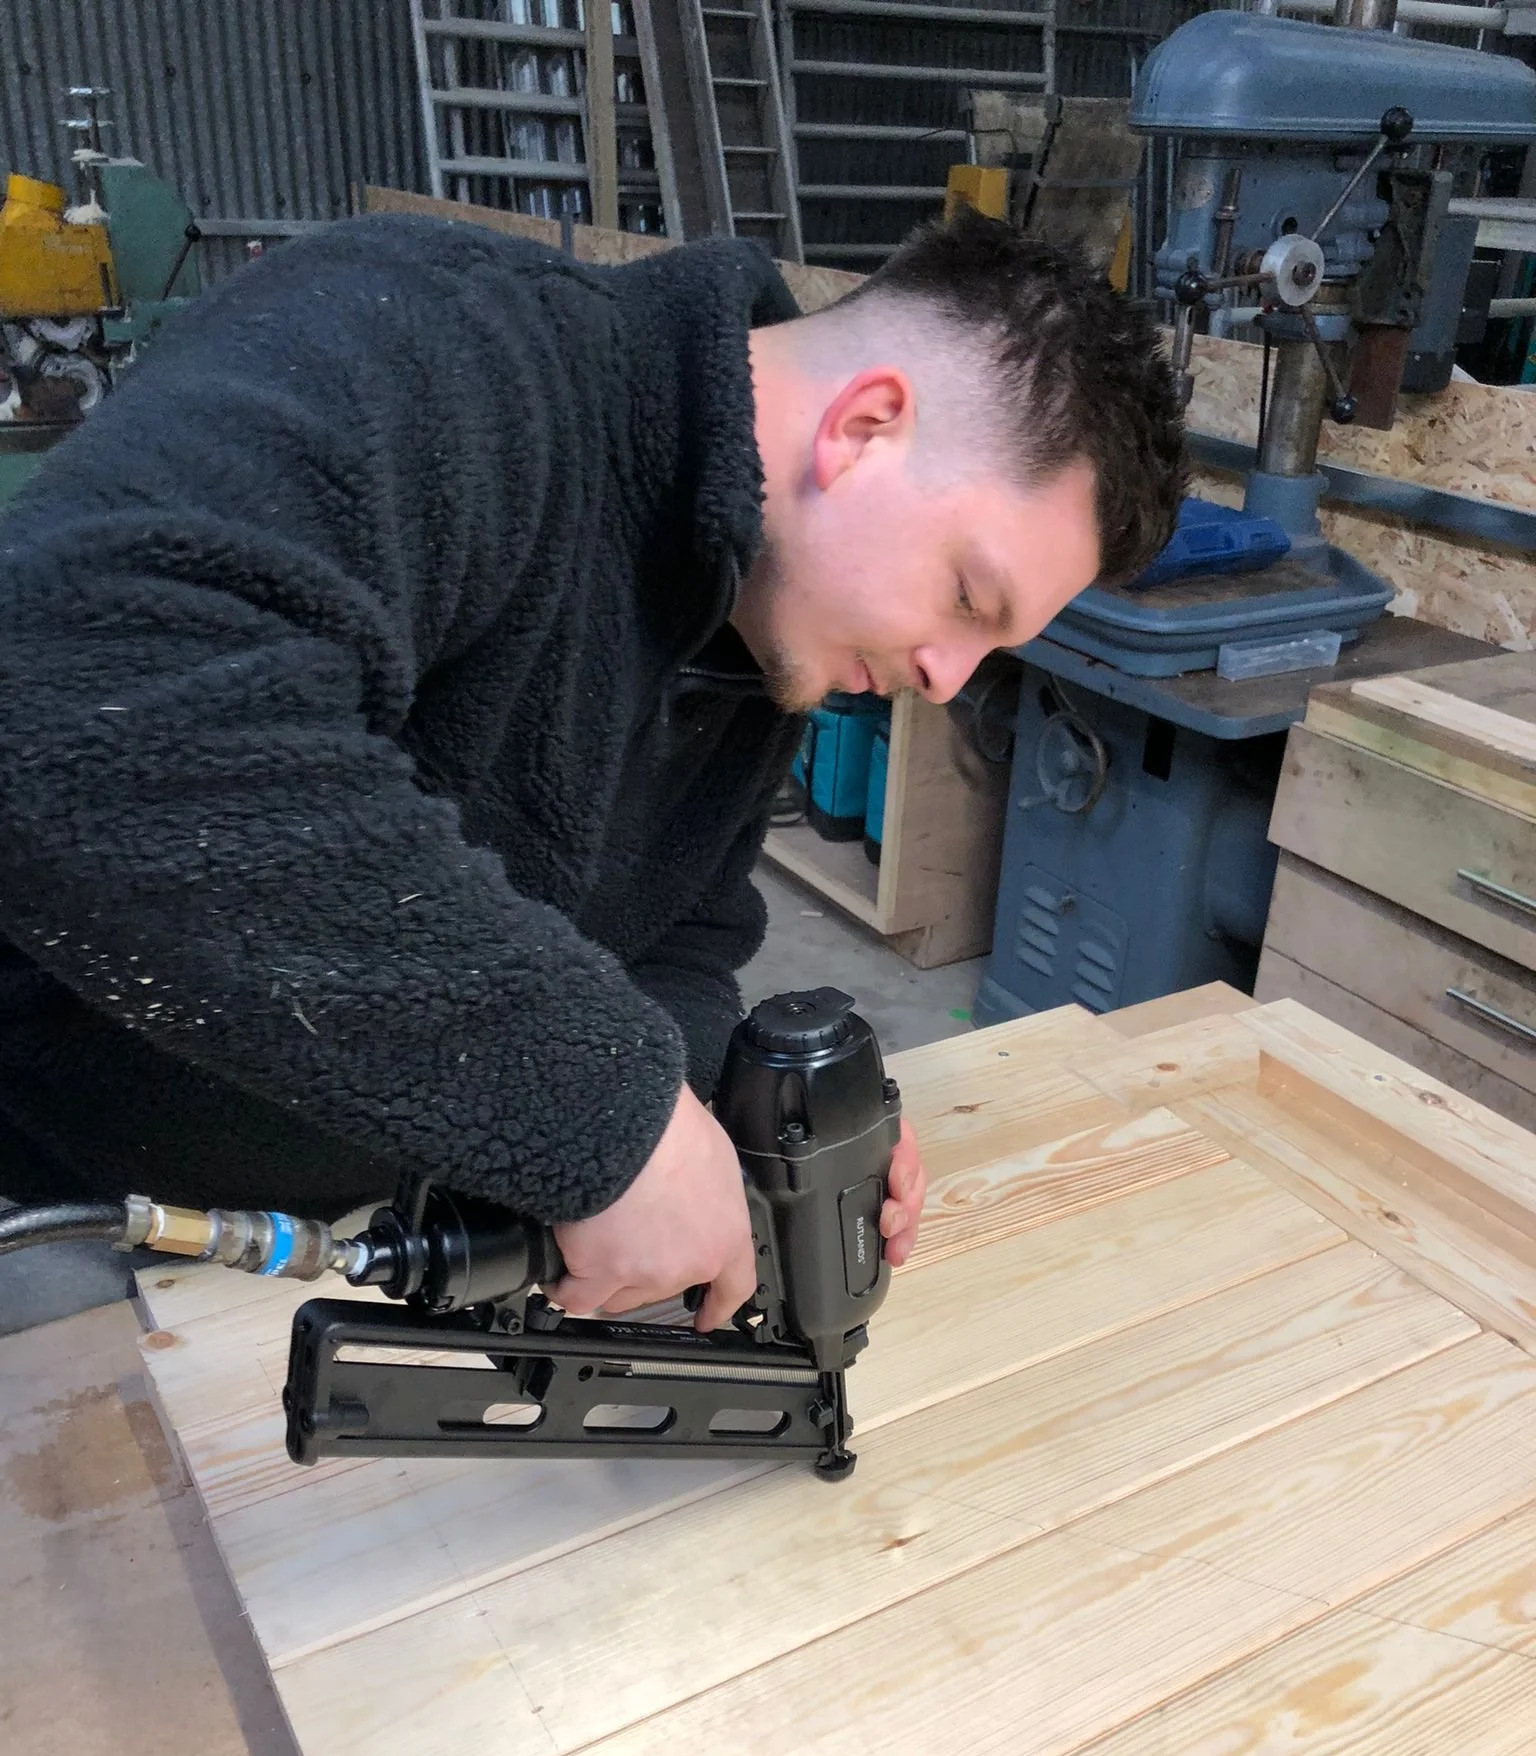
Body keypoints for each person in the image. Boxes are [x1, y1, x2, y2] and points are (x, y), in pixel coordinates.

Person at [0, 206, 1183, 1328]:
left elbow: (668, 934)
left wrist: (745, 1115)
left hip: (320, 1236)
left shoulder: (759, 621)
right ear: (864, 426)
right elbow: (89, 712)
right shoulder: (440, 349)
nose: (946, 676)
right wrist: (601, 1112)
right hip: (53, 1207)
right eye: (968, 598)